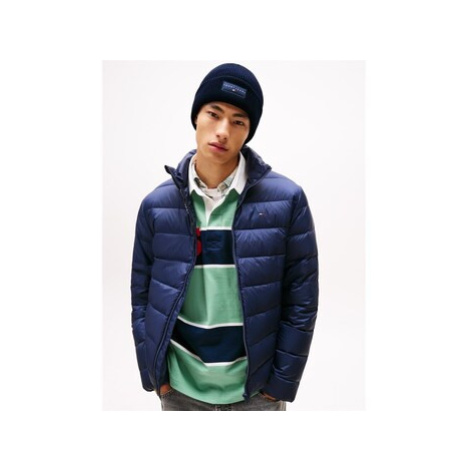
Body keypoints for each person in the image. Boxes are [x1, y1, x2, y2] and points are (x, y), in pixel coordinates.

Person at [130, 63, 319, 411]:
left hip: (255, 393)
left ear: (248, 132)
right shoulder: (156, 206)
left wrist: (279, 384)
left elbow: (301, 300)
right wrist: (156, 375)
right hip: (180, 389)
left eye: (238, 122)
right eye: (213, 114)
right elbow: (142, 297)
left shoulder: (287, 201)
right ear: (196, 117)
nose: (222, 131)